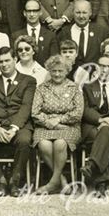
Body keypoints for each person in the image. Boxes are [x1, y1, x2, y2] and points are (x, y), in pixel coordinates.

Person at [0, 46, 36, 197]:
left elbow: (26, 107)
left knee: (24, 141)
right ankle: (0, 180)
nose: (4, 65)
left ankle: (15, 181)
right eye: (0, 62)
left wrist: (14, 128)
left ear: (15, 60)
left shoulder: (28, 81)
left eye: (7, 60)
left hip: (19, 125)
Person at [32, 55, 84, 194]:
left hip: (70, 127)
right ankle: (61, 180)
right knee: (43, 144)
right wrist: (50, 123)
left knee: (60, 143)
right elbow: (35, 113)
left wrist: (59, 120)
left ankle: (52, 184)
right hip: (45, 126)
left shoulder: (74, 88)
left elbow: (77, 113)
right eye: (53, 71)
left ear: (66, 71)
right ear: (49, 71)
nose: (56, 74)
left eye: (60, 71)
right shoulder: (41, 88)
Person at [79, 54, 109, 197]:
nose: (104, 69)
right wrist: (101, 120)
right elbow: (85, 110)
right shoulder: (87, 87)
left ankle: (92, 166)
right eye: (101, 66)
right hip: (93, 127)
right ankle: (101, 184)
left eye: (108, 66)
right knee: (102, 134)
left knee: (105, 132)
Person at [60, 0, 109, 65]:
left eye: (84, 12)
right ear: (72, 13)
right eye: (78, 12)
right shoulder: (64, 32)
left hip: (95, 73)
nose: (81, 16)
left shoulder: (101, 32)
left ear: (90, 13)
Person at [12, 0, 59, 65]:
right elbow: (14, 60)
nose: (32, 14)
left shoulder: (50, 36)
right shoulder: (16, 36)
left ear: (40, 12)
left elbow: (54, 60)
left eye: (35, 11)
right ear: (24, 13)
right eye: (29, 11)